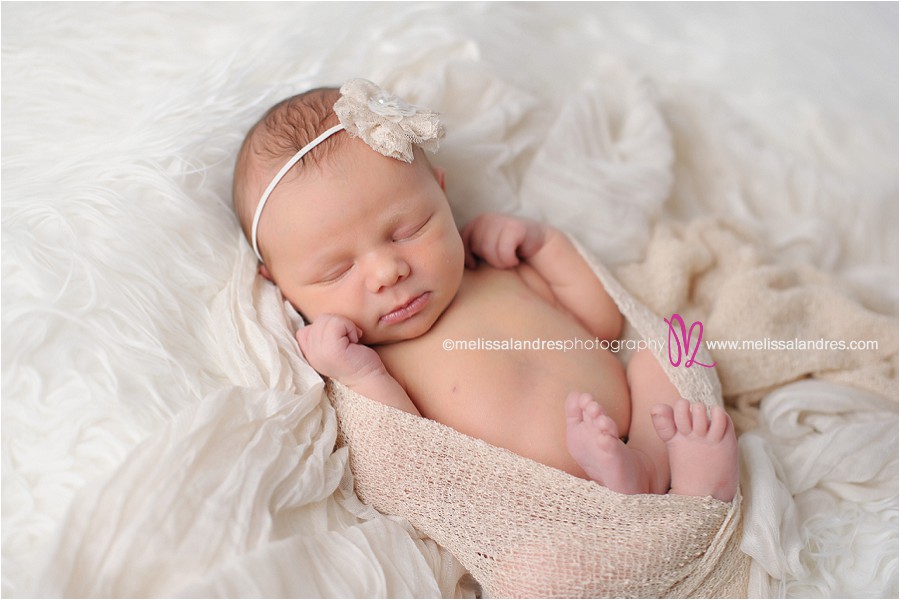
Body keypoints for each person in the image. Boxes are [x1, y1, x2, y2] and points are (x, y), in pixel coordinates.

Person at [232, 79, 738, 502]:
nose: (387, 272)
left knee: (667, 352)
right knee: (534, 573)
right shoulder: (372, 363)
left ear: (443, 195)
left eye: (408, 230)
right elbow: (413, 461)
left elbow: (602, 324)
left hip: (628, 426)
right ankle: (680, 493)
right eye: (337, 270)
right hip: (538, 501)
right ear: (279, 285)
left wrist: (544, 246)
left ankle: (653, 468)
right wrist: (359, 374)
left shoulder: (492, 272)